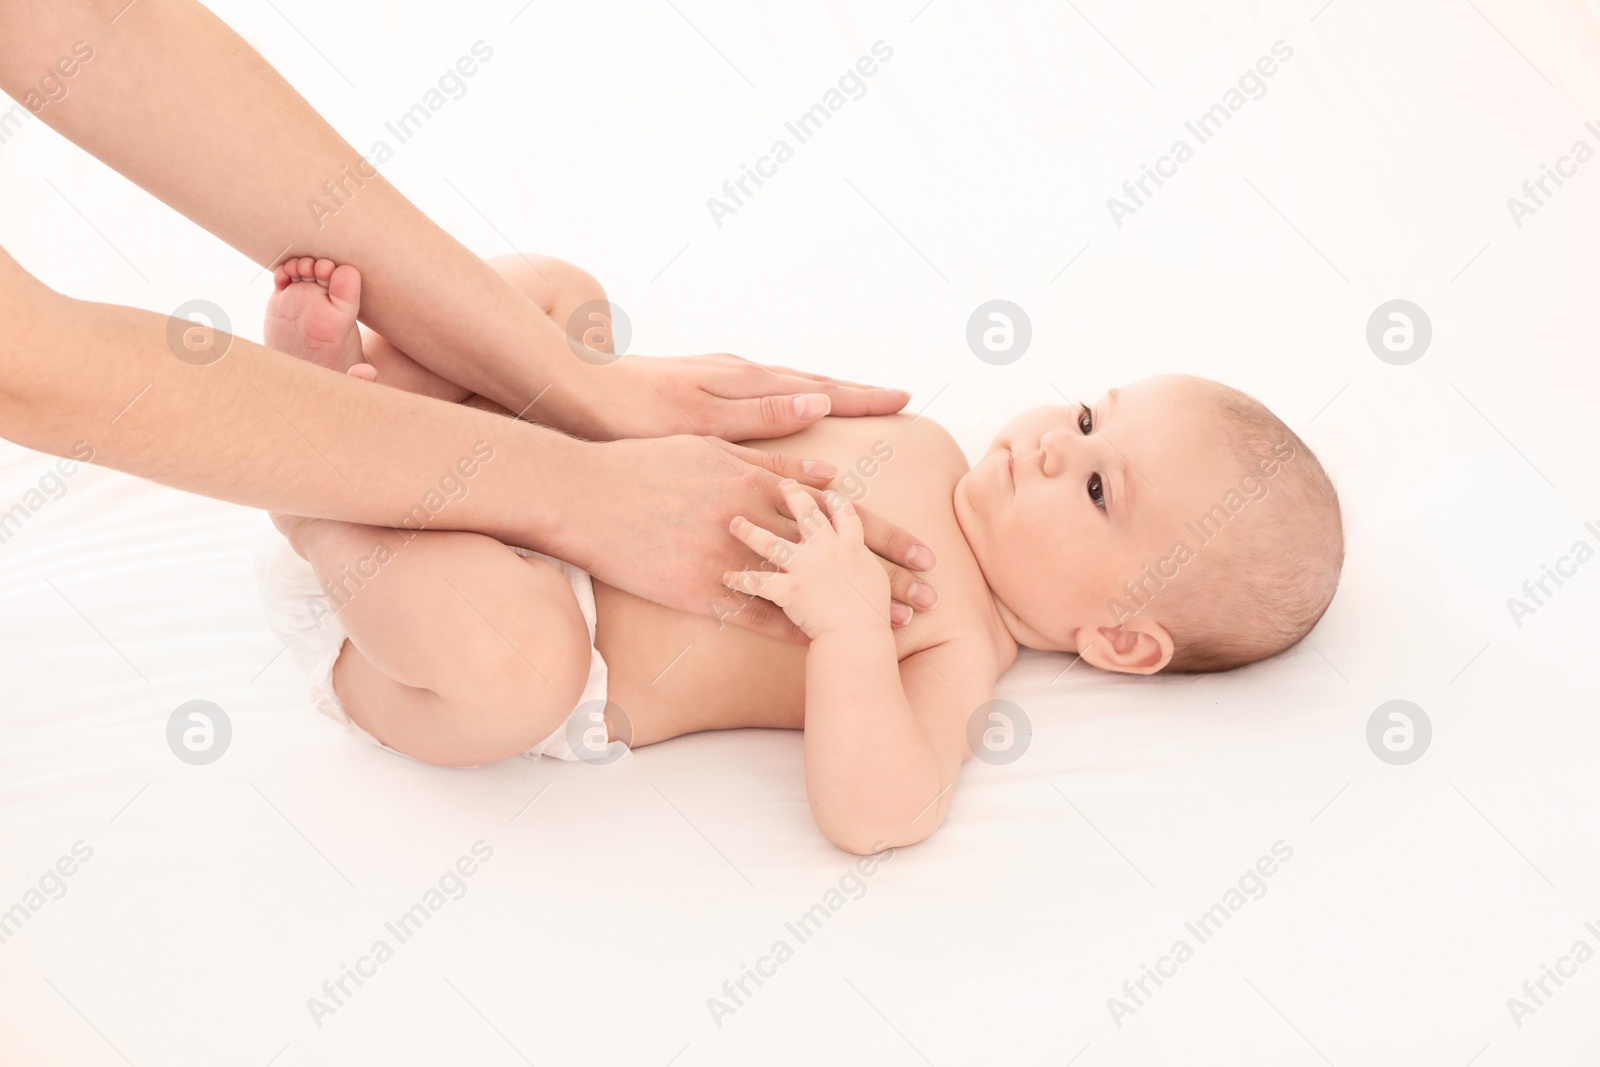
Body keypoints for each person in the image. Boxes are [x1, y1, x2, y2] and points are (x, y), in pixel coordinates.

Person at [260, 255, 1345, 854]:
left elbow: (881, 814)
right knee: (558, 295)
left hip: (543, 619)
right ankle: (372, 407)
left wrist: (846, 631)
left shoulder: (955, 643)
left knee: (513, 669)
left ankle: (315, 502)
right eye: (1088, 415)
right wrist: (596, 378)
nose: (1058, 445)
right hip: (534, 468)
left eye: (1101, 487)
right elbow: (686, 416)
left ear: (1115, 634)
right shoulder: (918, 437)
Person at [0, 0, 938, 642]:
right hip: (505, 606)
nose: (1059, 447)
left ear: (1096, 643)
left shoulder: (961, 621)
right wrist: (590, 492)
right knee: (517, 664)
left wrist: (576, 383)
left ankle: (333, 441)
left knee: (562, 299)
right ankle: (323, 511)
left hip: (539, 533)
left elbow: (85, 24)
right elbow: (27, 363)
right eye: (1094, 438)